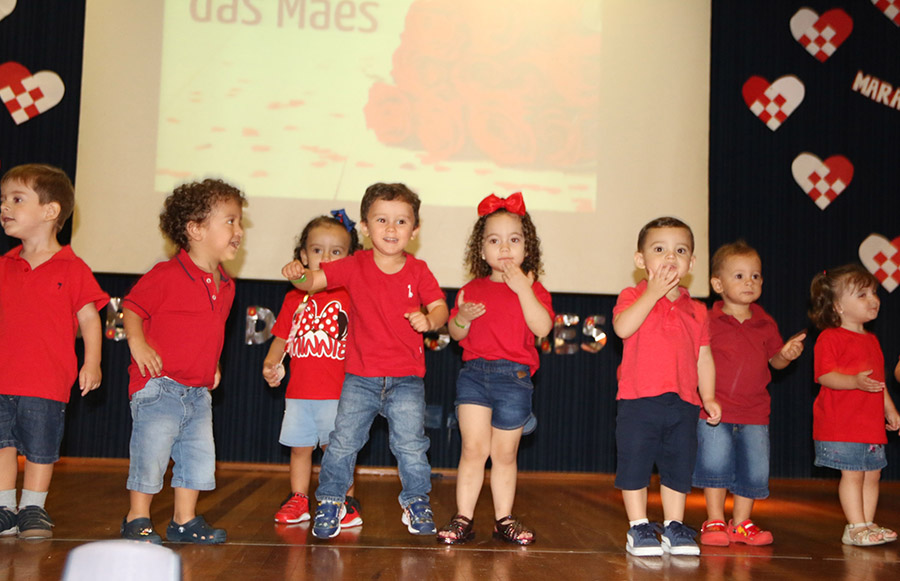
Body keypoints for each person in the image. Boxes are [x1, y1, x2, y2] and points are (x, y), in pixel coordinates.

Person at [282, 182, 448, 539]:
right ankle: (330, 501)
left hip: (406, 380)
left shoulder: (418, 271)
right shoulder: (354, 264)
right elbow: (314, 280)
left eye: (401, 222)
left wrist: (431, 320)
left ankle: (416, 500)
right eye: (382, 220)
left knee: (411, 445)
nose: (391, 229)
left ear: (415, 230)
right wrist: (299, 275)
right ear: (364, 226)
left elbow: (439, 306)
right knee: (342, 442)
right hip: (360, 379)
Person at [119, 179, 245, 544]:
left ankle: (184, 520)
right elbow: (132, 308)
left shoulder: (226, 285)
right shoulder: (166, 274)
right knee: (152, 454)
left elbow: (209, 331)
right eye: (230, 221)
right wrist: (139, 345)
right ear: (195, 229)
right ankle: (136, 517)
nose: (238, 231)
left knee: (198, 456)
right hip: (159, 386)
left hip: (198, 391)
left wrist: (213, 363)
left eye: (239, 223)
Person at [436, 192, 553, 546]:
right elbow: (456, 334)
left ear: (526, 248)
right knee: (473, 449)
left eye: (514, 240)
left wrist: (523, 290)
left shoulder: (533, 289)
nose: (504, 248)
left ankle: (504, 519)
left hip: (514, 379)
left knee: (504, 454)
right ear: (482, 251)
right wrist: (463, 320)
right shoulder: (471, 289)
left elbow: (542, 328)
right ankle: (463, 518)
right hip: (474, 375)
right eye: (494, 240)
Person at [0, 164, 108, 539]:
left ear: (50, 211)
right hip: (3, 376)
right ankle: (4, 507)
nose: (4, 207)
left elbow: (91, 320)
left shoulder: (73, 268)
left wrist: (92, 362)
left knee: (41, 447)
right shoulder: (4, 266)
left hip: (46, 380)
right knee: (3, 443)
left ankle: (32, 507)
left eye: (16, 199)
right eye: (3, 200)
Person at [612, 216, 721, 557]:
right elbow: (622, 328)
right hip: (638, 399)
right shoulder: (632, 295)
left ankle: (674, 525)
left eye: (680, 250)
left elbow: (704, 357)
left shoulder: (698, 310)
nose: (670, 257)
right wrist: (653, 293)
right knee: (635, 462)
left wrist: (709, 396)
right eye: (659, 249)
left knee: (678, 464)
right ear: (641, 260)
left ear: (691, 263)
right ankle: (639, 526)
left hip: (684, 402)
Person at [694, 241, 805, 547]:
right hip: (715, 411)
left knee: (753, 469)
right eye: (739, 276)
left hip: (755, 412)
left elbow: (776, 362)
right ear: (718, 283)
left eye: (755, 276)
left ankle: (741, 523)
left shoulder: (765, 323)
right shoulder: (708, 319)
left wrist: (787, 354)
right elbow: (697, 358)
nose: (750, 282)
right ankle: (714, 520)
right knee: (714, 466)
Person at [262, 210, 363, 528]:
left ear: (350, 259)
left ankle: (343, 502)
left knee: (339, 452)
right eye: (318, 250)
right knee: (300, 449)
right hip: (299, 394)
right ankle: (299, 499)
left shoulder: (351, 296)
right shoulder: (294, 298)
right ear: (303, 255)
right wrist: (270, 363)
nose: (326, 258)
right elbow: (281, 339)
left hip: (339, 394)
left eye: (337, 252)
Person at [809, 264, 900, 546]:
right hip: (842, 424)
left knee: (872, 474)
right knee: (853, 474)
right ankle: (855, 525)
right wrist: (854, 382)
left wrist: (890, 409)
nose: (873, 299)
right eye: (862, 295)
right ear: (838, 306)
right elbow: (825, 376)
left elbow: (878, 382)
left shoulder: (872, 340)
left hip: (869, 425)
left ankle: (866, 523)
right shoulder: (830, 337)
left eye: (874, 292)